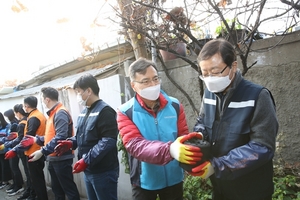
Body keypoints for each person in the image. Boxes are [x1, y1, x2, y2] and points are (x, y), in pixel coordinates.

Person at [190, 39, 279, 200]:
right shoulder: (209, 94)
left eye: (216, 71)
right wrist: (198, 137)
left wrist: (218, 165)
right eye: (205, 73)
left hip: (251, 190)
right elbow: (203, 122)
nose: (210, 78)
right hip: (220, 187)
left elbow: (263, 146)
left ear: (233, 66)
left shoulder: (257, 96)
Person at [116, 57, 203, 200]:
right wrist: (170, 150)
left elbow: (183, 136)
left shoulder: (174, 105)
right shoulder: (126, 112)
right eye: (145, 81)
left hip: (173, 176)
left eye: (155, 79)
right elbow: (135, 145)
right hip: (144, 180)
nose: (153, 84)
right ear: (133, 85)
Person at [54, 74, 120, 200]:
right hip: (89, 170)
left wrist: (86, 160)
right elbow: (83, 136)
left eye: (79, 92)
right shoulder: (84, 111)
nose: (78, 96)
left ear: (89, 91)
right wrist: (70, 143)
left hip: (103, 171)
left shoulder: (105, 111)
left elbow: (108, 141)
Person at [22, 87, 80, 200]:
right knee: (57, 190)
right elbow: (50, 136)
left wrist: (42, 151)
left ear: (47, 99)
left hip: (61, 158)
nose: (42, 102)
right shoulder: (52, 114)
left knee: (68, 189)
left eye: (43, 99)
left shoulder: (60, 113)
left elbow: (60, 137)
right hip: (53, 158)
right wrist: (37, 140)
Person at [5, 96, 48, 200]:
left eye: (24, 105)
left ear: (26, 106)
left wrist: (14, 150)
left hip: (34, 153)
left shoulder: (33, 118)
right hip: (37, 151)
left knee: (37, 180)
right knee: (37, 180)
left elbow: (28, 139)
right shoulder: (37, 115)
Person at [2, 109, 24, 196]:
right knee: (13, 168)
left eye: (7, 116)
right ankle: (15, 184)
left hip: (13, 149)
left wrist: (5, 143)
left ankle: (18, 186)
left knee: (14, 168)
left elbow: (12, 137)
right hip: (11, 149)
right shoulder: (13, 123)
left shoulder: (14, 124)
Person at [0, 112, 12, 189]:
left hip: (4, 149)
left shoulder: (7, 126)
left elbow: (8, 137)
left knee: (5, 166)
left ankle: (5, 181)